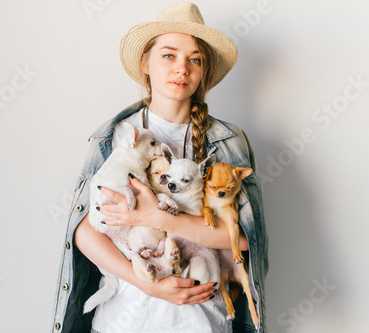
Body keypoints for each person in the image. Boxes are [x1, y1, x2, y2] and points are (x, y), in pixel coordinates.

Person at [51, 2, 268, 333]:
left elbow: (245, 240)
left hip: (204, 323)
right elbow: (84, 231)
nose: (182, 68)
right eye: (168, 55)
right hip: (123, 321)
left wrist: (157, 218)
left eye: (194, 59)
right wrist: (147, 284)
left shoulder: (228, 141)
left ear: (204, 71)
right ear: (145, 63)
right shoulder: (115, 137)